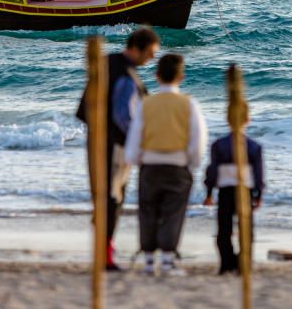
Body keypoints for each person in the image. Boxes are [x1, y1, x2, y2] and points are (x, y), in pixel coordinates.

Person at [76, 26, 160, 271]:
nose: (152, 58)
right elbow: (123, 115)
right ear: (137, 48)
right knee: (112, 198)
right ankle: (106, 255)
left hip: (98, 139)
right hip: (115, 145)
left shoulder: (106, 62)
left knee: (105, 197)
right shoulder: (125, 73)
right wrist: (138, 144)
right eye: (151, 52)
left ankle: (105, 250)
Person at [124, 54, 206, 277]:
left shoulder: (146, 103)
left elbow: (135, 135)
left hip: (149, 165)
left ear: (156, 75)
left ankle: (149, 261)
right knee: (173, 213)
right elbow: (197, 139)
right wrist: (192, 163)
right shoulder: (188, 104)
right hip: (177, 165)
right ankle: (168, 261)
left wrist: (135, 160)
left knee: (147, 211)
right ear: (182, 76)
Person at [204, 120, 265, 275]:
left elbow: (212, 171)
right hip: (245, 190)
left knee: (224, 230)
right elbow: (258, 175)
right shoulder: (254, 146)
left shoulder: (218, 145)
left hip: (225, 190)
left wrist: (209, 193)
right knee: (246, 231)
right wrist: (259, 195)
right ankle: (243, 264)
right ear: (247, 121)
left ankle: (226, 264)